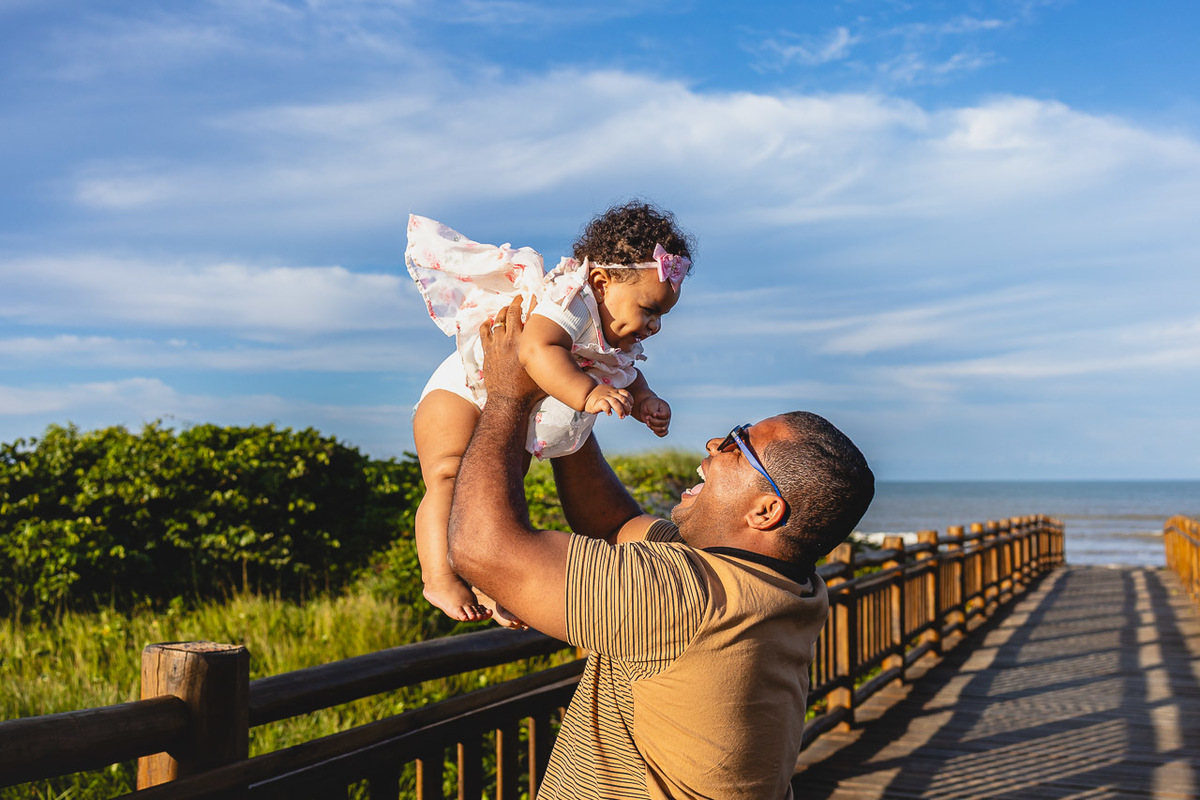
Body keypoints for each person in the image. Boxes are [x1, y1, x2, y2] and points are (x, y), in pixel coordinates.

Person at [447, 296, 875, 799]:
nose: (715, 444)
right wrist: (570, 393)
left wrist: (507, 396)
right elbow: (615, 522)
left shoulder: (688, 599)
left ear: (765, 512)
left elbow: (481, 547)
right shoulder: (780, 584)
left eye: (738, 446)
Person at [408, 202, 693, 622]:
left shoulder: (613, 334)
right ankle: (437, 577)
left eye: (661, 317)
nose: (654, 327)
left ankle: (488, 588)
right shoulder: (571, 298)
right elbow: (536, 349)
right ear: (600, 281)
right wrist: (587, 393)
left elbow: (625, 374)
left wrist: (645, 401)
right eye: (649, 310)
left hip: (509, 411)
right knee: (449, 476)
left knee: (495, 495)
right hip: (463, 390)